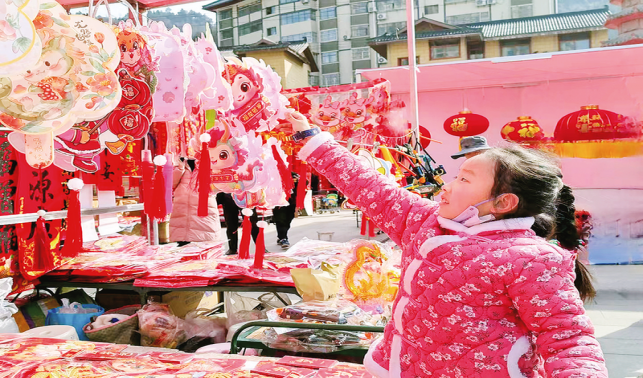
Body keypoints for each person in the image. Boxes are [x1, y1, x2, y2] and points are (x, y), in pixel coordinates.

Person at [286, 110, 607, 378]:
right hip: (396, 368)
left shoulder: (530, 260)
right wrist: (310, 137)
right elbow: (366, 184)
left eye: (464, 180)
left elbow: (568, 339)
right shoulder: (422, 222)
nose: (447, 187)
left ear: (503, 202)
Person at [170, 159, 222, 245]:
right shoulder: (179, 164)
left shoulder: (209, 162)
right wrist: (180, 167)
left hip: (204, 212)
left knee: (204, 250)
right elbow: (171, 184)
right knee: (184, 252)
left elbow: (218, 186)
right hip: (182, 215)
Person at [272, 172, 299, 249]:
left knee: (288, 220)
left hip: (291, 201)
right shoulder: (274, 173)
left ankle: (281, 236)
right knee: (280, 220)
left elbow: (304, 183)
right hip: (279, 201)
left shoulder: (293, 174)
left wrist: (297, 181)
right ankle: (283, 238)